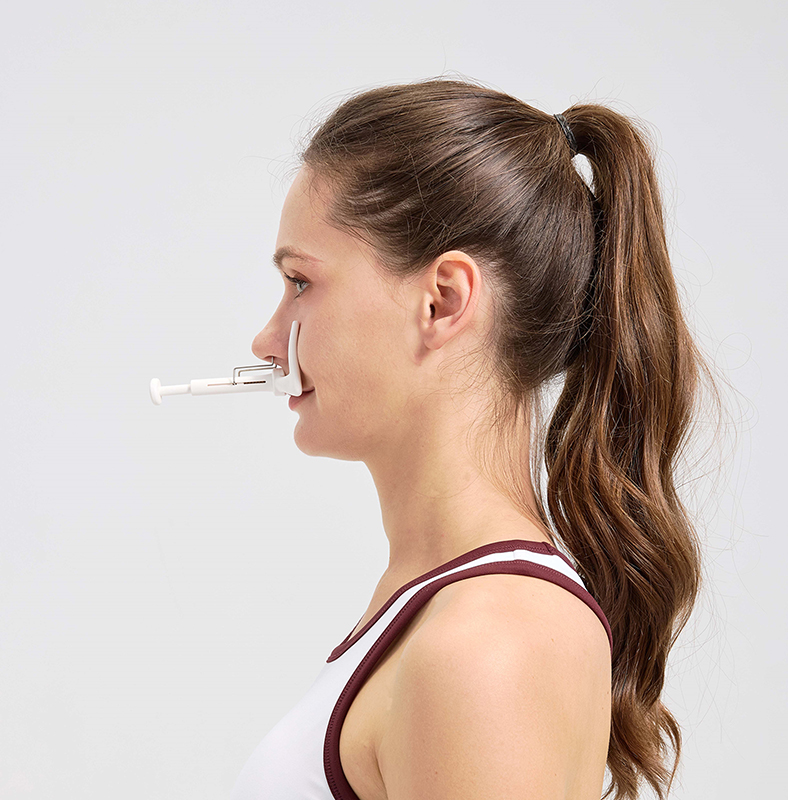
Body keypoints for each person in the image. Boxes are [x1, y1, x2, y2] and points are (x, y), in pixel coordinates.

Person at [232, 77, 714, 800]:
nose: (268, 340)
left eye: (301, 282)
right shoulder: (444, 615)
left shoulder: (486, 643)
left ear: (443, 301)